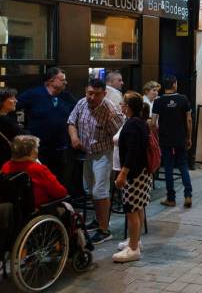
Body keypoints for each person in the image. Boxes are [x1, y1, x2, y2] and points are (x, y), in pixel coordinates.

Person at [68, 78, 124, 244]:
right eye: (89, 93)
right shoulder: (81, 103)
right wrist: (74, 136)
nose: (91, 97)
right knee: (90, 190)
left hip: (104, 153)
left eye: (96, 94)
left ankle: (104, 229)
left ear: (104, 94)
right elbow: (71, 121)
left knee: (100, 191)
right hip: (88, 153)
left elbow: (119, 135)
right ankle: (99, 219)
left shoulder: (109, 110)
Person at [17, 68, 76, 186]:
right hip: (38, 148)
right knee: (39, 179)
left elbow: (76, 114)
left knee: (58, 178)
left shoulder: (67, 97)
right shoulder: (34, 94)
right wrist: (21, 130)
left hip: (60, 147)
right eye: (62, 79)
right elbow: (14, 106)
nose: (66, 82)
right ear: (51, 81)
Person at [112, 92, 153, 263]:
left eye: (123, 103)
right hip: (143, 171)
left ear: (128, 107)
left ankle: (134, 249)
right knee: (139, 207)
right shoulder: (140, 122)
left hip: (134, 173)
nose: (120, 105)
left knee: (131, 210)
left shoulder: (132, 125)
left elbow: (132, 152)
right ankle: (135, 241)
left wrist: (123, 173)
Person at [152, 75, 193, 208]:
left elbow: (153, 122)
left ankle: (171, 198)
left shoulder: (158, 101)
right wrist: (189, 137)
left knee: (168, 167)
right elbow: (189, 120)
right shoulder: (183, 99)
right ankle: (188, 195)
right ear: (175, 84)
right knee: (182, 165)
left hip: (165, 138)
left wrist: (156, 136)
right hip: (180, 137)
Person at [0, 135, 68, 209]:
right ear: (32, 152)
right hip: (39, 210)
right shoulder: (38, 169)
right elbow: (60, 192)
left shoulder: (5, 166)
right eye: (37, 148)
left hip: (13, 211)